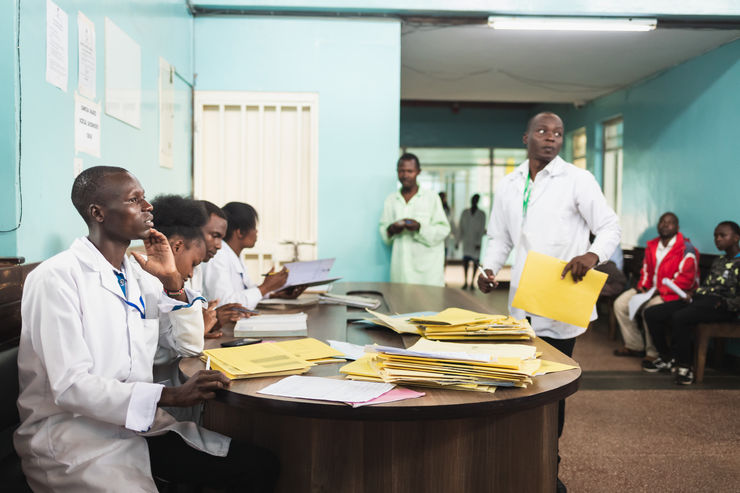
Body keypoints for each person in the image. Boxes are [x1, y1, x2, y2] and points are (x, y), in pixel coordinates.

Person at [14, 166, 279, 492]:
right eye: (134, 199)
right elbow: (70, 386)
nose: (148, 206)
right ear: (98, 212)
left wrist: (172, 283)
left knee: (260, 464)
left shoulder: (139, 276)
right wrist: (172, 395)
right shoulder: (56, 278)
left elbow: (189, 345)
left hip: (136, 425)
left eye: (145, 198)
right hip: (75, 435)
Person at [477, 112, 620, 493]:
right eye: (542, 131)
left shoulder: (578, 180)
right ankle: (518, 460)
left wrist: (592, 256)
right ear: (526, 138)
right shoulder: (508, 184)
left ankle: (546, 471)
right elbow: (499, 237)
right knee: (520, 384)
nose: (551, 138)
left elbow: (609, 226)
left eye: (557, 133)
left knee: (551, 393)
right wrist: (488, 268)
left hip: (559, 299)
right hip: (521, 303)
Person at [643, 221, 740, 384]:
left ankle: (685, 367)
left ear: (736, 238)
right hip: (701, 301)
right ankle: (667, 358)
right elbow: (708, 287)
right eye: (715, 235)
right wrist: (691, 294)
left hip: (723, 307)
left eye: (722, 235)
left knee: (680, 317)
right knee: (652, 313)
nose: (717, 239)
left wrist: (725, 304)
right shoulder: (719, 261)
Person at [612, 212, 699, 361]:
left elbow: (686, 280)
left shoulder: (686, 249)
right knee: (620, 304)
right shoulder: (652, 245)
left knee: (650, 309)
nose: (665, 225)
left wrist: (659, 291)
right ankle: (634, 345)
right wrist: (642, 287)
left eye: (670, 222)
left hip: (674, 293)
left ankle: (653, 353)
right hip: (651, 289)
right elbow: (646, 270)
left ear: (677, 227)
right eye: (662, 221)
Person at [379, 153, 451, 286]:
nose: (405, 175)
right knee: (400, 304)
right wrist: (392, 229)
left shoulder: (431, 197)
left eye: (409, 171)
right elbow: (384, 231)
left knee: (429, 305)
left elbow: (444, 229)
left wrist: (419, 227)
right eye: (401, 171)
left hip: (427, 274)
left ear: (418, 172)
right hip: (401, 271)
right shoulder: (391, 200)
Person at [202, 201, 289, 310]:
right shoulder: (217, 256)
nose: (256, 232)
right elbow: (224, 304)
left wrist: (272, 292)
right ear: (240, 232)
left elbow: (246, 290)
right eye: (254, 227)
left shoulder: (235, 254)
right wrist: (265, 288)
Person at [189, 200, 250, 338]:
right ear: (191, 231)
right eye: (215, 236)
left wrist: (212, 322)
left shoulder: (197, 267)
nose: (219, 246)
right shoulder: (150, 274)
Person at [458, 194, 486, 290]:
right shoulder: (465, 213)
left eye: (476, 200)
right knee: (465, 262)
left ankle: (472, 282)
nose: (474, 201)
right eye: (473, 199)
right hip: (467, 242)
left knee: (475, 263)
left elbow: (482, 229)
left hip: (476, 243)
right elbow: (460, 228)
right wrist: (458, 241)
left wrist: (478, 243)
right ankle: (465, 281)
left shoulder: (482, 214)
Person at [439, 191, 456, 264]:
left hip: (445, 237)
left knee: (444, 257)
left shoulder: (448, 210)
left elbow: (451, 223)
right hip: (437, 237)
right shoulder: (435, 208)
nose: (443, 199)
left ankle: (442, 273)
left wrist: (456, 237)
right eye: (441, 197)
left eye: (444, 197)